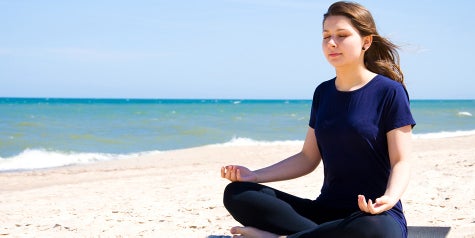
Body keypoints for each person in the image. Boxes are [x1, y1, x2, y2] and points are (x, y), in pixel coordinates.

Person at [220, 1, 416, 238]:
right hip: (324, 212)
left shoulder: (389, 91)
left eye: (342, 35)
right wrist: (254, 175)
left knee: (374, 231)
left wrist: (389, 197)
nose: (332, 43)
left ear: (366, 41)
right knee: (237, 193)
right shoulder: (323, 92)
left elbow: (401, 161)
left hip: (373, 215)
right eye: (326, 36)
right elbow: (307, 158)